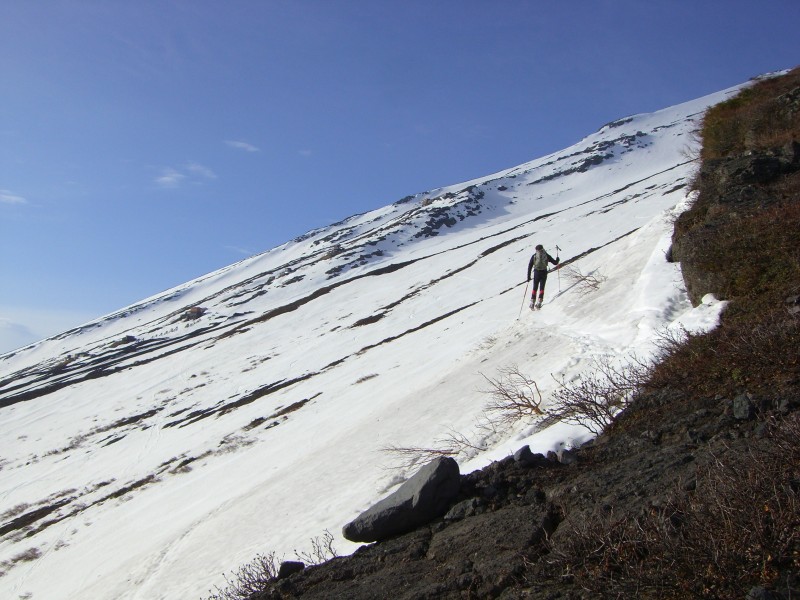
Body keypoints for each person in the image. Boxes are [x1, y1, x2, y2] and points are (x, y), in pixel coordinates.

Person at [526, 244, 559, 309]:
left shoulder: (534, 256)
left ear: (536, 250)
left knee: (535, 287)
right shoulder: (546, 255)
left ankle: (532, 303)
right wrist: (557, 259)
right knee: (542, 288)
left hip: (536, 273)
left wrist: (528, 277)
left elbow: (530, 266)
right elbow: (555, 263)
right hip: (544, 272)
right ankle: (539, 303)